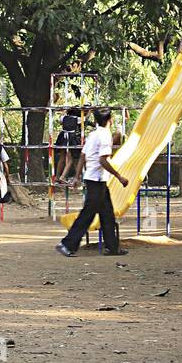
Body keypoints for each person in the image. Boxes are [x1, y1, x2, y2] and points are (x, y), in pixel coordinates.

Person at [56, 107, 129, 257]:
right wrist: (119, 176)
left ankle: (112, 247)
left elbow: (82, 155)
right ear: (110, 120)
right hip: (96, 180)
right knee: (87, 214)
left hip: (96, 180)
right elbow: (103, 160)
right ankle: (67, 244)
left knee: (107, 214)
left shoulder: (93, 135)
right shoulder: (104, 136)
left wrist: (77, 176)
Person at [52, 111, 84, 189]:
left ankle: (57, 176)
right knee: (70, 159)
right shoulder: (78, 119)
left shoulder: (63, 118)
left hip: (63, 137)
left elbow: (60, 122)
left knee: (62, 157)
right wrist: (89, 111)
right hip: (71, 138)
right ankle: (62, 177)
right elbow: (84, 120)